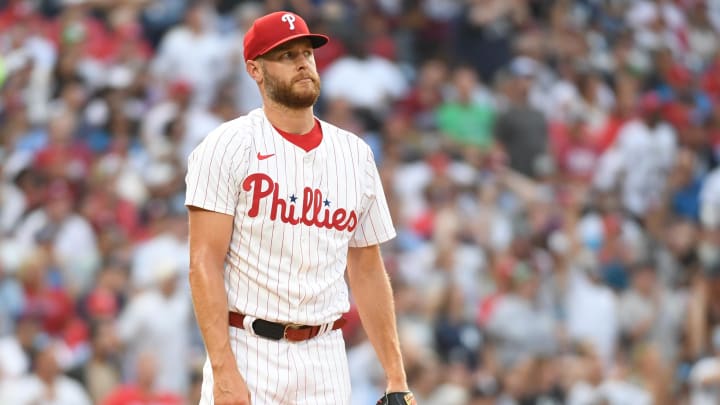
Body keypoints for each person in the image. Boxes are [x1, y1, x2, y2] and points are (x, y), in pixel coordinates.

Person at [184, 11, 412, 405]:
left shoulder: (355, 154)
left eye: (306, 52)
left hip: (326, 354)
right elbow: (203, 261)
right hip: (249, 347)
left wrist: (396, 377)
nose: (303, 63)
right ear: (255, 70)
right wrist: (222, 370)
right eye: (286, 55)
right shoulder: (227, 146)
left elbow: (368, 266)